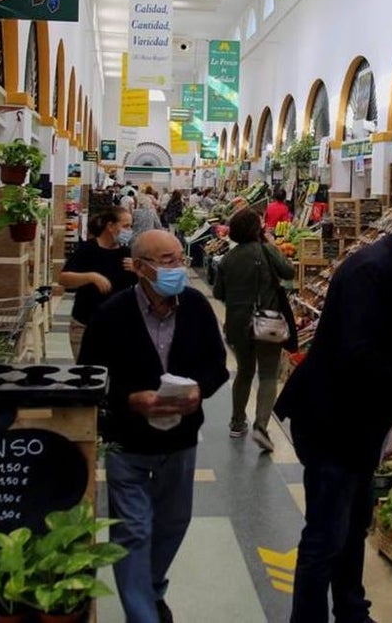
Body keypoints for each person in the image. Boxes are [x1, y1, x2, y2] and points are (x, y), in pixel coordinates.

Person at [276, 194, 392, 623]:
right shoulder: (372, 270)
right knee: (325, 534)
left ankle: (350, 609)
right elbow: (357, 351)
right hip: (332, 421)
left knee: (353, 523)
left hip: (358, 423)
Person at [77, 230, 229, 623]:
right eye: (166, 261)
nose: (177, 267)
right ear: (140, 267)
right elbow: (89, 376)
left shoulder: (195, 307)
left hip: (180, 439)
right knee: (133, 531)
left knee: (173, 522)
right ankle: (143, 615)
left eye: (179, 258)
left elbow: (217, 365)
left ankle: (152, 586)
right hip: (128, 441)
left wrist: (200, 390)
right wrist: (130, 399)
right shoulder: (111, 315)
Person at [213, 207, 296, 451]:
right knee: (268, 374)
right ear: (256, 229)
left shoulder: (228, 258)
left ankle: (237, 423)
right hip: (267, 322)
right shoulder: (266, 250)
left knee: (244, 372)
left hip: (238, 324)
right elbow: (289, 272)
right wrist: (272, 245)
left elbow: (218, 293)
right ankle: (261, 426)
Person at [57, 207, 137, 359]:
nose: (129, 230)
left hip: (119, 327)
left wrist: (139, 271)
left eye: (130, 226)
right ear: (110, 226)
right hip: (85, 325)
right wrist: (91, 277)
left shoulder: (127, 255)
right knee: (88, 374)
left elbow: (144, 288)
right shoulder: (88, 250)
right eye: (126, 226)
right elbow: (63, 279)